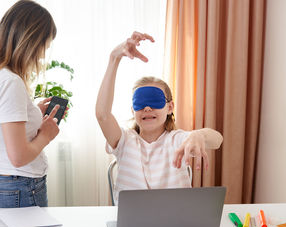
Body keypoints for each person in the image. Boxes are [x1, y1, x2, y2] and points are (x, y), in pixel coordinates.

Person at [95, 32, 223, 204]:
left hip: (176, 222)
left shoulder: (177, 140)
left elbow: (217, 140)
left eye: (154, 100)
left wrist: (199, 135)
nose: (147, 107)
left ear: (170, 107)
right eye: (140, 102)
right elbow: (103, 115)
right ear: (133, 110)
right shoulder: (124, 141)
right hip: (133, 224)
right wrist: (114, 58)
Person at [0, 0, 60, 208]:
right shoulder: (10, 82)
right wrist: (46, 135)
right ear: (32, 41)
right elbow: (18, 157)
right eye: (45, 46)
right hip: (19, 187)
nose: (43, 54)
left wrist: (31, 111)